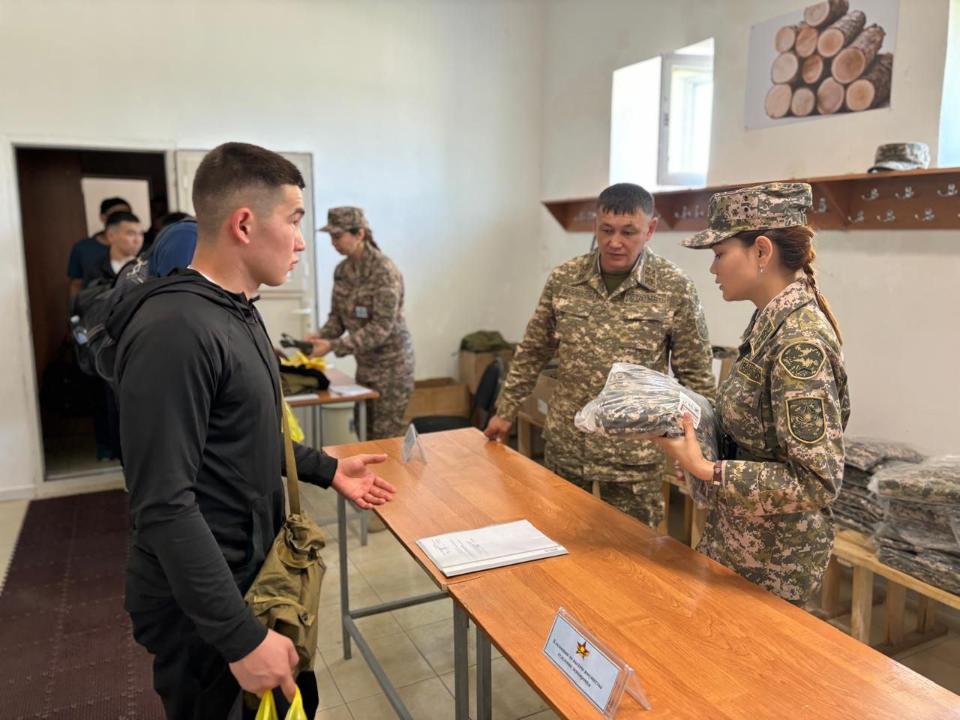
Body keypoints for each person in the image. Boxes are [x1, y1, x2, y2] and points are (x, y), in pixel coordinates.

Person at [110, 142, 397, 719]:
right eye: (292, 220)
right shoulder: (177, 332)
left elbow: (243, 436)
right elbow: (164, 503)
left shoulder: (235, 309)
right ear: (244, 224)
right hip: (203, 606)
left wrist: (325, 468)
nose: (299, 240)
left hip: (246, 576)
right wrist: (239, 637)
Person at [653, 182, 850, 606]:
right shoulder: (768, 324)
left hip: (773, 564)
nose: (713, 268)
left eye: (720, 254)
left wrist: (707, 470)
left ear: (762, 252)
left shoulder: (800, 343)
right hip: (741, 544)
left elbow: (817, 481)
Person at [485, 183, 716, 528]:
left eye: (628, 232)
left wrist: (698, 448)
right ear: (596, 224)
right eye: (606, 230)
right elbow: (533, 350)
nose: (614, 242)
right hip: (568, 445)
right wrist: (505, 410)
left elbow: (695, 376)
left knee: (630, 557)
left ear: (650, 229)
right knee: (559, 539)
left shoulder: (673, 287)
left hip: (634, 455)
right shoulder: (565, 279)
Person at [310, 207, 415, 440]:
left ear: (359, 234)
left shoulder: (384, 271)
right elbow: (338, 318)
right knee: (363, 433)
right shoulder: (343, 271)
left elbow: (380, 328)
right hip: (365, 367)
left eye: (337, 236)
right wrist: (320, 337)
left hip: (392, 369)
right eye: (331, 237)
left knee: (386, 440)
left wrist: (334, 346)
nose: (333, 243)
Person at [67, 196, 131, 295]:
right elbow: (76, 284)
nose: (122, 219)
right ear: (103, 217)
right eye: (116, 214)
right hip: (96, 306)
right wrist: (74, 309)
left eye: (127, 214)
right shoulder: (83, 248)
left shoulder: (141, 246)